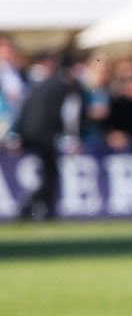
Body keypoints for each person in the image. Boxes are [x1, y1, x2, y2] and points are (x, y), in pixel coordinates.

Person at [13, 50, 83, 220]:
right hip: (44, 135)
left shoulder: (45, 84)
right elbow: (69, 115)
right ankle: (36, 209)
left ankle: (39, 209)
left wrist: (20, 135)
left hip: (31, 132)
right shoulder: (67, 85)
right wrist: (73, 138)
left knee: (49, 173)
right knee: (50, 174)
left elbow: (26, 109)